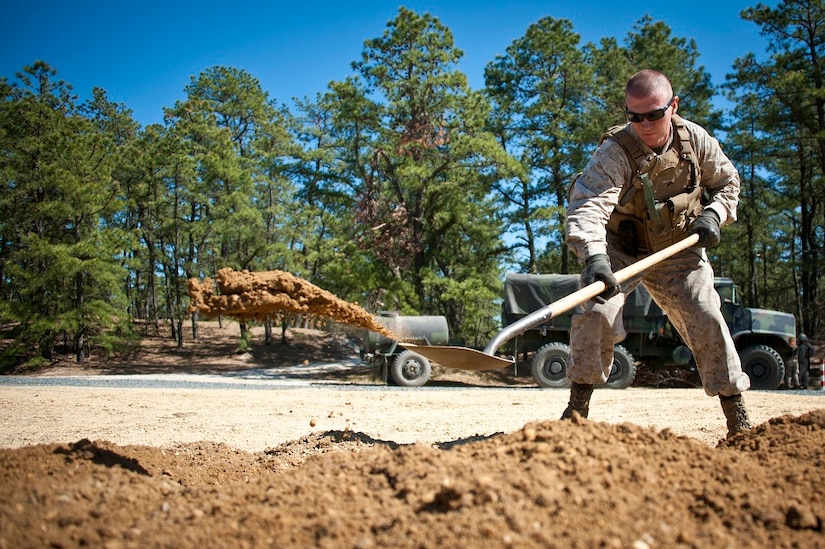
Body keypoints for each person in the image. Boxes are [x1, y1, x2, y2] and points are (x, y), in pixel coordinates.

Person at [564, 69, 752, 438]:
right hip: (621, 250)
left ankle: (737, 418)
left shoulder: (695, 140)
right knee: (596, 313)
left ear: (673, 106)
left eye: (654, 114)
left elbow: (728, 182)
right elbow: (588, 206)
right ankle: (576, 415)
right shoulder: (614, 151)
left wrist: (714, 215)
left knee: (706, 316)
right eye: (635, 116)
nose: (645, 124)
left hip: (680, 249)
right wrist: (594, 257)